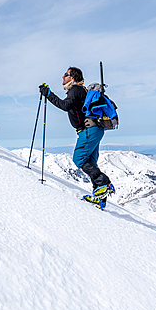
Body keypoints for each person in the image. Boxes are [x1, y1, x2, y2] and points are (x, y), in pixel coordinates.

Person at [40, 67, 115, 209]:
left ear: (73, 77)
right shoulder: (83, 91)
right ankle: (100, 198)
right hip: (95, 129)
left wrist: (48, 94)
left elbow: (65, 105)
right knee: (91, 162)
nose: (62, 77)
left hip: (88, 130)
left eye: (65, 75)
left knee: (79, 158)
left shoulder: (75, 90)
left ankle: (104, 183)